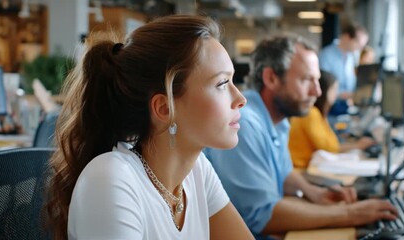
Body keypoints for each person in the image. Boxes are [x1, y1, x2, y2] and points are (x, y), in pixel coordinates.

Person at [45, 15, 254, 240]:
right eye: (222, 83)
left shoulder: (197, 172)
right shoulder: (110, 179)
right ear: (164, 108)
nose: (240, 98)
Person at [204, 34, 398, 239]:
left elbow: (284, 172)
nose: (317, 91)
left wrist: (313, 192)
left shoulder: (277, 119)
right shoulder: (245, 125)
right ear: (271, 78)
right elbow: (263, 216)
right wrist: (352, 213)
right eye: (307, 79)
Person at [289, 70, 376, 169]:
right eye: (334, 89)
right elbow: (329, 148)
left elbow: (331, 143)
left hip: (310, 167)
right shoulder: (311, 114)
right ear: (324, 91)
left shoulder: (319, 114)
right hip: (300, 169)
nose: (336, 94)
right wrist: (358, 145)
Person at [319, 22, 369, 115]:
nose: (359, 49)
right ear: (347, 37)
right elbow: (323, 87)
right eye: (358, 44)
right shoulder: (326, 55)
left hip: (346, 109)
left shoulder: (351, 57)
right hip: (330, 110)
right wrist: (342, 94)